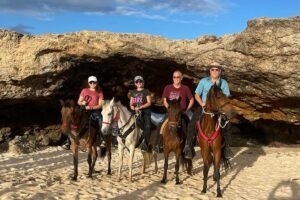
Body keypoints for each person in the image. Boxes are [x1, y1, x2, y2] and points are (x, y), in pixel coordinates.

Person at [183, 62, 233, 159]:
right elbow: (197, 94)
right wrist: (201, 103)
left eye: (217, 69)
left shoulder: (224, 83)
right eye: (212, 69)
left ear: (220, 71)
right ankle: (188, 147)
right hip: (205, 107)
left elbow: (226, 97)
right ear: (209, 71)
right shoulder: (203, 81)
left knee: (227, 125)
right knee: (192, 123)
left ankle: (227, 149)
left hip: (218, 109)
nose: (215, 71)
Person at [154, 70, 194, 152]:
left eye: (178, 77)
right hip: (170, 113)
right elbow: (164, 100)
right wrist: (169, 109)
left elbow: (192, 100)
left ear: (181, 78)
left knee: (188, 127)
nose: (176, 78)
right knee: (160, 125)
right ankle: (158, 144)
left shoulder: (185, 88)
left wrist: (187, 110)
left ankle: (188, 147)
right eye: (174, 77)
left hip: (181, 113)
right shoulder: (167, 87)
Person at [62, 76, 104, 150]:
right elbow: (79, 101)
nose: (92, 83)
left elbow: (100, 105)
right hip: (84, 110)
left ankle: (102, 139)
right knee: (72, 119)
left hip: (94, 111)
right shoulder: (84, 90)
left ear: (96, 83)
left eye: (94, 82)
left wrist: (91, 107)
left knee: (100, 120)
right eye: (91, 82)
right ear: (88, 83)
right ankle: (68, 141)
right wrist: (82, 103)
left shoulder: (99, 92)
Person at [129, 75, 152, 151]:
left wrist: (140, 107)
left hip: (145, 111)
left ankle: (145, 143)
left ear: (143, 82)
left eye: (140, 81)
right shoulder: (133, 92)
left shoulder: (146, 91)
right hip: (135, 111)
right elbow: (131, 103)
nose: (139, 83)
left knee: (148, 126)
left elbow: (149, 102)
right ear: (135, 83)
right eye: (137, 81)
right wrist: (132, 107)